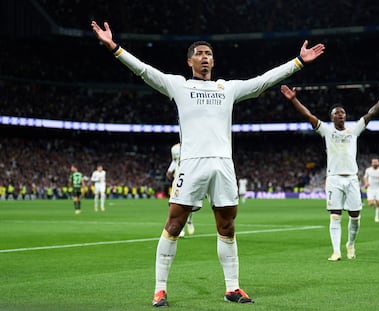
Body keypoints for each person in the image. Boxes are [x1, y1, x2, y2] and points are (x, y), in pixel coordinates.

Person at [91, 20, 325, 307]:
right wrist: (114, 47)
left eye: (209, 54)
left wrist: (298, 62)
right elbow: (143, 70)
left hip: (224, 165)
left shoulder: (227, 89)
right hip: (191, 164)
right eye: (200, 53)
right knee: (174, 224)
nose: (205, 57)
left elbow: (263, 81)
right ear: (190, 60)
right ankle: (160, 288)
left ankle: (232, 288)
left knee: (227, 228)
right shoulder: (178, 85)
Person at [280, 81, 379, 261]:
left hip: (351, 178)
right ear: (332, 117)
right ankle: (336, 251)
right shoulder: (326, 131)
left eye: (342, 113)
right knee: (335, 216)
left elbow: (372, 113)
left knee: (355, 217)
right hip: (333, 179)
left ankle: (350, 243)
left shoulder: (354, 130)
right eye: (337, 113)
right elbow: (308, 114)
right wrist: (294, 100)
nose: (341, 115)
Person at [166, 143, 195, 237]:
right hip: (178, 178)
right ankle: (180, 227)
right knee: (176, 203)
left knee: (190, 202)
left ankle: (189, 220)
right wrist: (170, 170)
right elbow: (175, 161)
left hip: (190, 177)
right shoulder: (175, 148)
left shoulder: (194, 146)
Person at [363, 158, 379, 222]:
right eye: (373, 163)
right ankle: (377, 206)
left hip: (378, 189)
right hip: (370, 189)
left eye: (376, 163)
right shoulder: (368, 170)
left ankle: (376, 217)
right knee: (370, 203)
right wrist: (366, 183)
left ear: (378, 163)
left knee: (378, 203)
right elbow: (365, 177)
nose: (375, 164)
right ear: (372, 163)